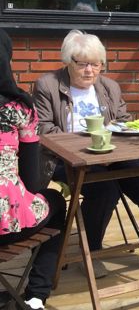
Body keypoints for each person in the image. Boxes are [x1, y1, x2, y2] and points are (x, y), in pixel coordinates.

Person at [32, 30, 139, 276]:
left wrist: (123, 131)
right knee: (105, 187)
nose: (90, 71)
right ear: (68, 61)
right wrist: (90, 138)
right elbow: (42, 130)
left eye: (96, 65)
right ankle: (90, 253)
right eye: (83, 64)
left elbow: (124, 121)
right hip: (66, 160)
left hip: (112, 155)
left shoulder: (109, 87)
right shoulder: (48, 86)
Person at [0, 29, 66, 310]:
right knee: (55, 202)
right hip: (5, 224)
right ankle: (36, 295)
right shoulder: (18, 109)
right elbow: (31, 179)